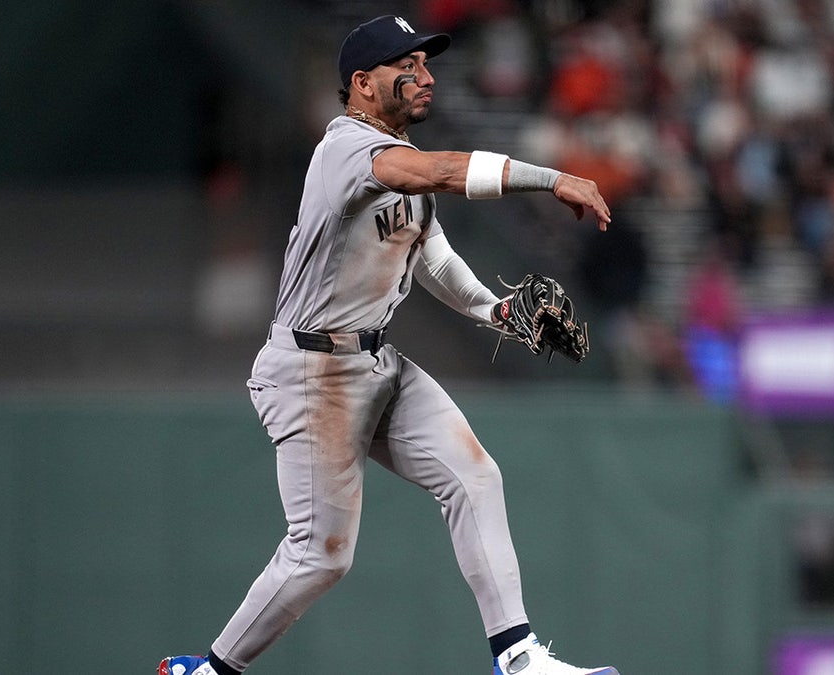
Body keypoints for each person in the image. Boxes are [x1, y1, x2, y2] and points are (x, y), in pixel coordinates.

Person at [158, 15, 616, 675]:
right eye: (410, 66)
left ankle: (519, 659)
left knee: (476, 477)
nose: (426, 77)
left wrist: (496, 309)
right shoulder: (347, 147)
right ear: (365, 84)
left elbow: (433, 259)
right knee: (321, 556)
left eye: (427, 65)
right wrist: (551, 178)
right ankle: (208, 671)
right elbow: (443, 172)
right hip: (313, 370)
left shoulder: (397, 155)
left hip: (374, 360)